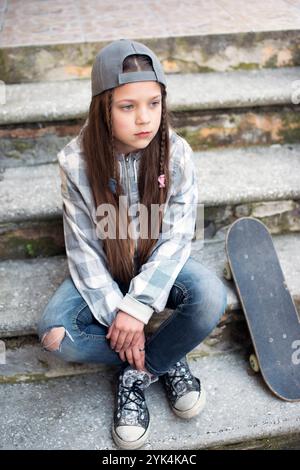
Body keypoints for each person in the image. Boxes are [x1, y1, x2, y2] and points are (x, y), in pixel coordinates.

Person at [37, 39, 227, 450]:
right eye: (127, 106)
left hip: (154, 260)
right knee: (55, 335)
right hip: (104, 265)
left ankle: (137, 373)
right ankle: (163, 355)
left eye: (153, 103)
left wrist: (139, 306)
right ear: (103, 107)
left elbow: (177, 237)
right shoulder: (76, 163)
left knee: (211, 297)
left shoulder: (176, 154)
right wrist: (123, 318)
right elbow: (83, 248)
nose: (145, 119)